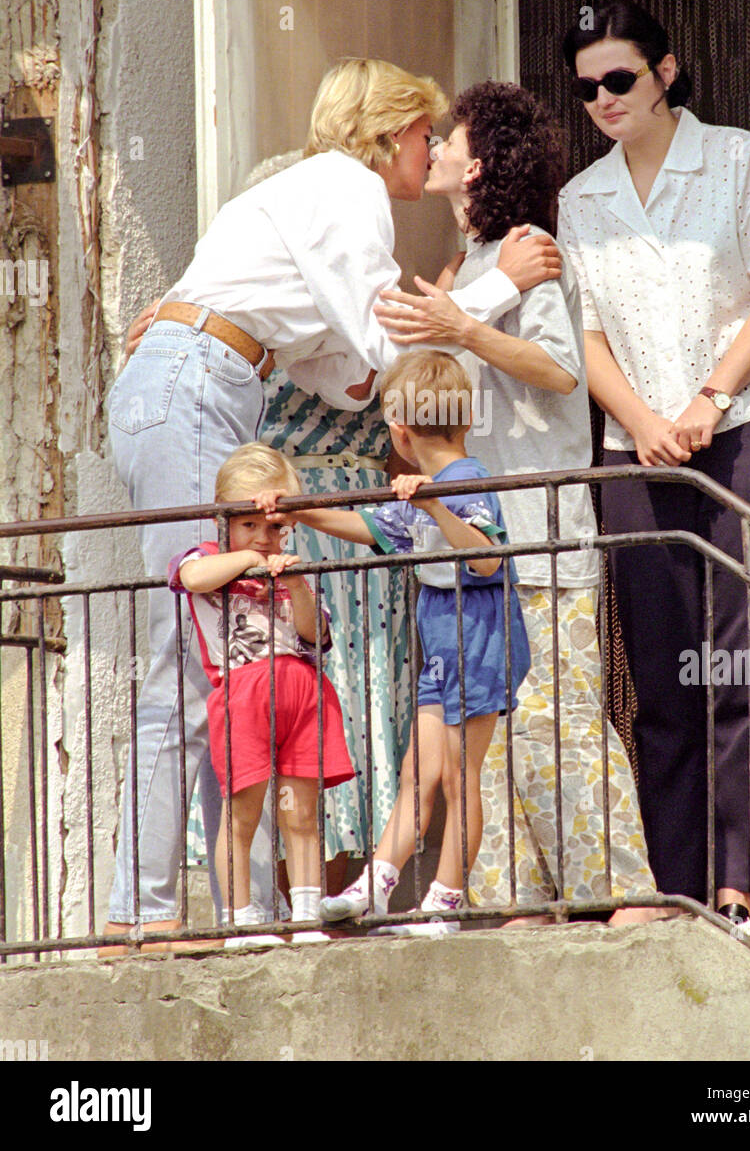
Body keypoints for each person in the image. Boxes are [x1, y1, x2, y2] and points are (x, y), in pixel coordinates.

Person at [105, 56, 561, 944]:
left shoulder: (320, 200)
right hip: (197, 383)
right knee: (195, 657)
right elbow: (381, 343)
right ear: (391, 134)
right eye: (424, 134)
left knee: (220, 665)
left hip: (206, 381)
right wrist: (501, 284)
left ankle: (248, 911)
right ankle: (147, 913)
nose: (429, 154)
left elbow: (345, 376)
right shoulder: (348, 188)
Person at [375, 81, 657, 925]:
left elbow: (562, 372)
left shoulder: (529, 249)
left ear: (481, 160)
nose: (439, 148)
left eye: (449, 137)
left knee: (561, 717)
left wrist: (464, 329)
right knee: (491, 740)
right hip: (473, 541)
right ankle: (516, 901)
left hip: (537, 530)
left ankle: (631, 895)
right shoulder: (468, 267)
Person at [556, 0, 750, 920]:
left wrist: (707, 400)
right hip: (639, 449)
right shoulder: (581, 199)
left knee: (746, 665)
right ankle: (675, 887)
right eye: (586, 90)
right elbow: (582, 337)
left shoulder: (737, 157)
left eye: (620, 79)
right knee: (661, 674)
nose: (603, 100)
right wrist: (641, 420)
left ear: (666, 72)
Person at [276, 351, 531, 936]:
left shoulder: (465, 482)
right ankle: (376, 886)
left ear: (399, 431)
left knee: (458, 776)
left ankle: (445, 903)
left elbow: (488, 558)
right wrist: (300, 510)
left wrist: (433, 505)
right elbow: (368, 528)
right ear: (463, 419)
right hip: (444, 638)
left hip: (480, 638)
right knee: (420, 771)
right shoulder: (427, 487)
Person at [168, 443, 353, 945]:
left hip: (302, 690)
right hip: (246, 695)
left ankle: (307, 918)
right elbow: (190, 577)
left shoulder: (291, 567)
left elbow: (316, 636)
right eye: (248, 523)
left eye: (274, 527)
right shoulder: (209, 558)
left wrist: (295, 586)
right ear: (222, 520)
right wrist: (248, 557)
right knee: (243, 813)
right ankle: (240, 921)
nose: (264, 537)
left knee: (301, 811)